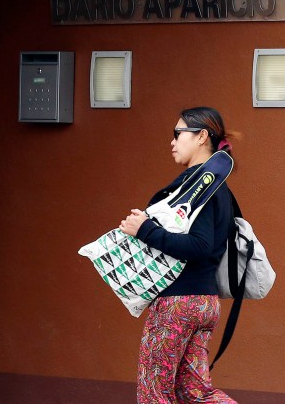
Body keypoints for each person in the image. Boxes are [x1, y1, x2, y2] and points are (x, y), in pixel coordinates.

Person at [119, 106, 237, 404]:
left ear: (201, 136)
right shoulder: (219, 186)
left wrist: (144, 229)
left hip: (177, 305)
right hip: (204, 302)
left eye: (178, 133)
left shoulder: (199, 186)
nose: (172, 142)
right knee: (197, 394)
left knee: (153, 394)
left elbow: (199, 246)